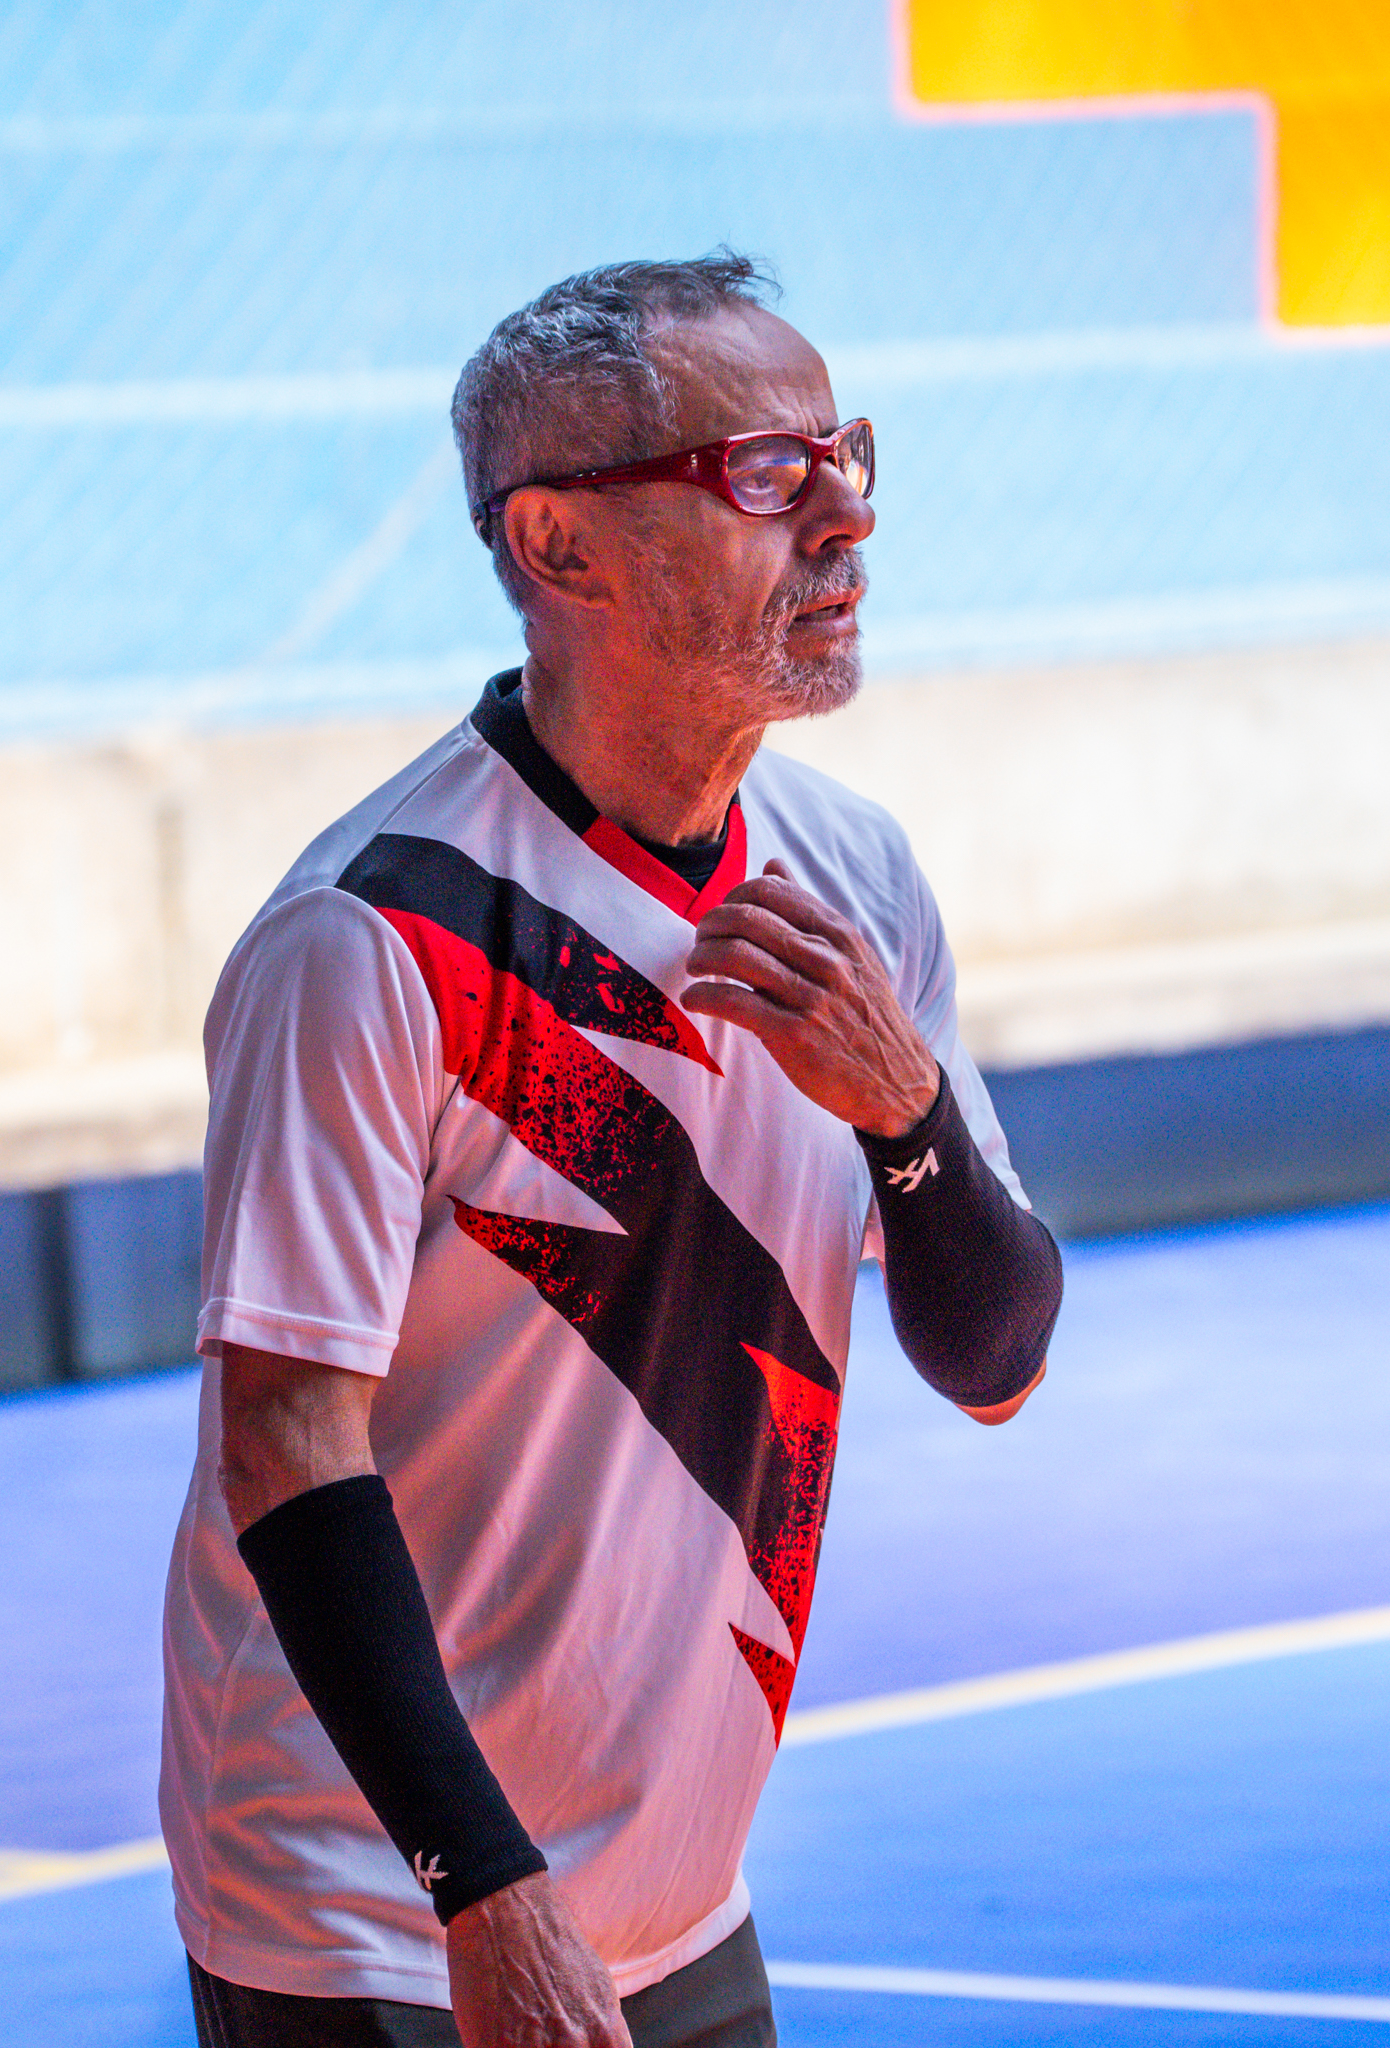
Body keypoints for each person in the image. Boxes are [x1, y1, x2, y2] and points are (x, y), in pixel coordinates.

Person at [161, 253, 1063, 2048]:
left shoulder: (852, 875)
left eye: (844, 453)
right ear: (557, 544)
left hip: (675, 1893)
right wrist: (486, 1894)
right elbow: (284, 1440)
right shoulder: (368, 939)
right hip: (381, 1907)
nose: (844, 517)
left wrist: (904, 1115)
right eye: (763, 473)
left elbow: (995, 1363)